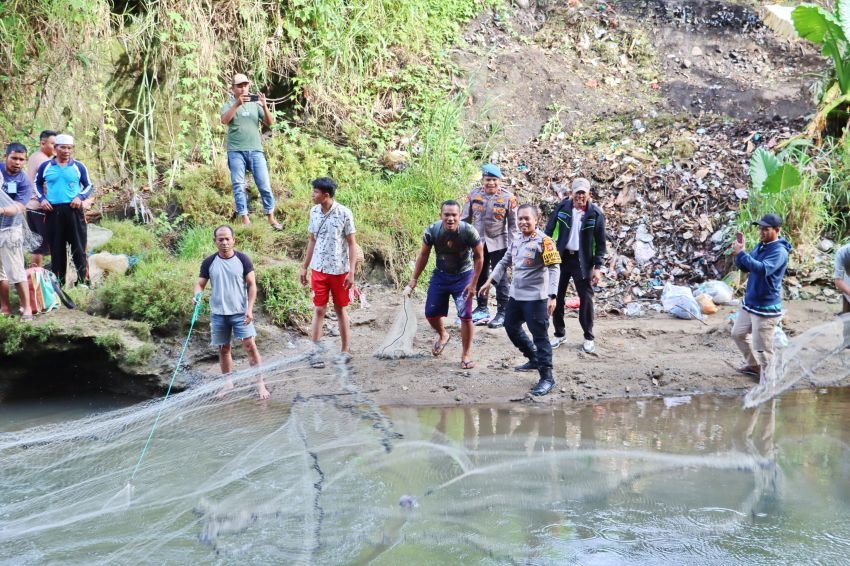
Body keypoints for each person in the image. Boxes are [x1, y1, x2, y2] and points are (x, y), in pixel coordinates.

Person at [479, 204, 561, 395]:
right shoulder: (517, 239)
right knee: (510, 326)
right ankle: (532, 357)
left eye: (527, 219)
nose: (523, 222)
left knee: (540, 336)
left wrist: (552, 295)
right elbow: (505, 261)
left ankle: (547, 378)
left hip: (536, 298)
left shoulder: (544, 241)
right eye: (520, 219)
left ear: (536, 220)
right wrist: (490, 281)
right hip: (516, 296)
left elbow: (554, 268)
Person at [405, 200, 484, 369]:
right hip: (441, 276)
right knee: (431, 313)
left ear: (459, 216)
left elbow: (479, 256)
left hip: (464, 277)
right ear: (440, 215)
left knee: (466, 315)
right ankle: (443, 335)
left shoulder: (469, 231)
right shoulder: (433, 231)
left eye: (454, 215)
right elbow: (424, 255)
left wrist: (473, 283)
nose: (450, 218)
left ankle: (466, 354)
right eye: (446, 215)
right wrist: (413, 280)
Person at [194, 225, 269, 399]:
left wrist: (249, 310)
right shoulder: (209, 262)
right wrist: (197, 296)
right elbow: (200, 284)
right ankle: (228, 383)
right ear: (215, 242)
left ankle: (260, 384)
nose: (224, 242)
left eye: (228, 239)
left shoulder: (243, 259)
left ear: (234, 240)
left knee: (250, 346)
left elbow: (252, 285)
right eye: (220, 239)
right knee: (223, 349)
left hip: (240, 313)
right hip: (219, 314)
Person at [299, 177, 358, 368]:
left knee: (341, 309)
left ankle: (345, 350)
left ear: (326, 195)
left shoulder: (344, 213)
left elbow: (351, 243)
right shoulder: (314, 212)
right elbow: (312, 240)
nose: (312, 195)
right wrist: (304, 266)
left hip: (340, 270)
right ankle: (316, 352)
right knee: (318, 309)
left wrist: (352, 272)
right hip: (319, 269)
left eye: (315, 192)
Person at [544, 177, 606, 353]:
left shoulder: (595, 214)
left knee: (586, 299)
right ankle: (559, 333)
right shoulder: (563, 208)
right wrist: (546, 253)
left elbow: (601, 244)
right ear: (571, 194)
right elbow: (549, 231)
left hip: (583, 261)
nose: (580, 196)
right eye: (577, 192)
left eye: (583, 193)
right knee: (556, 296)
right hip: (561, 258)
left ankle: (588, 336)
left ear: (589, 195)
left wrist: (598, 268)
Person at [731, 213, 792, 378]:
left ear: (777, 230)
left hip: (765, 307)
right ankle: (753, 366)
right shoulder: (762, 245)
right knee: (737, 334)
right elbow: (747, 266)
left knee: (763, 349)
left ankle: (769, 384)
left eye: (765, 229)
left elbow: (763, 269)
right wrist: (740, 255)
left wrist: (742, 255)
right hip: (750, 302)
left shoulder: (779, 251)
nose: (761, 232)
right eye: (760, 229)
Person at [220, 73, 282, 230]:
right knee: (238, 185)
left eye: (245, 85)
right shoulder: (228, 104)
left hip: (255, 150)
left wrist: (264, 104)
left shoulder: (255, 104)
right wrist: (237, 105)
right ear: (233, 88)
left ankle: (271, 217)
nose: (243, 88)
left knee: (264, 184)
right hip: (236, 151)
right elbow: (224, 120)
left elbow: (270, 122)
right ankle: (245, 218)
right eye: (239, 86)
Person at [462, 163, 517, 328]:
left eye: (494, 180)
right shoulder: (473, 195)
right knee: (479, 274)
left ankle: (502, 312)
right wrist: (463, 241)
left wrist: (513, 247)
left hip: (499, 242)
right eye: (487, 179)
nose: (490, 183)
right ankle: (482, 308)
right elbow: (465, 219)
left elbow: (513, 225)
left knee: (500, 277)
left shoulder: (508, 198)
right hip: (478, 242)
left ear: (499, 180)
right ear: (483, 180)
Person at [33, 134, 92, 286]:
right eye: (63, 147)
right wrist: (42, 199)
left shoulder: (78, 166)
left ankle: (83, 282)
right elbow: (37, 184)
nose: (66, 151)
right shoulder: (45, 166)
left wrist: (80, 197)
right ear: (55, 148)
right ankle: (59, 283)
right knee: (57, 248)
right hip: (53, 212)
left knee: (79, 247)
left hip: (74, 210)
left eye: (69, 148)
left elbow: (88, 185)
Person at [0, 143, 34, 320]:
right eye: (14, 158)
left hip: (10, 229)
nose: (17, 162)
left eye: (21, 159)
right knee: (0, 272)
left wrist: (2, 210)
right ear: (6, 157)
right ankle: (5, 308)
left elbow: (18, 208)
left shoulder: (24, 183)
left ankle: (26, 307)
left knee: (15, 269)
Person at [25, 130, 56, 267]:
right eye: (53, 144)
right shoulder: (43, 160)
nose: (55, 147)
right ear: (42, 143)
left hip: (31, 207)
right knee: (41, 247)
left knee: (37, 245)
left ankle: (35, 279)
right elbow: (48, 185)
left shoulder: (34, 156)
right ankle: (36, 281)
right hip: (39, 207)